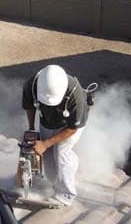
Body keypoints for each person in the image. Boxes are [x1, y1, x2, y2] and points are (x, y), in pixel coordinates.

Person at [22, 64, 90, 206]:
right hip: (47, 120)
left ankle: (67, 194)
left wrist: (46, 144)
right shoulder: (31, 84)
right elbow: (29, 106)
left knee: (61, 151)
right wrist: (31, 129)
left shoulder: (76, 97)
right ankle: (62, 176)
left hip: (70, 125)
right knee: (49, 160)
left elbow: (72, 128)